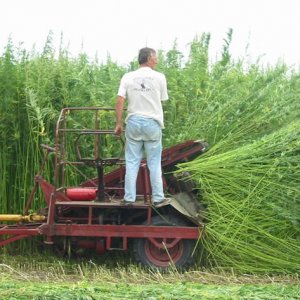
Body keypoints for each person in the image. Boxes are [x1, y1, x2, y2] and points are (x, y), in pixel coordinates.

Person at [114, 47, 171, 207]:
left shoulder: (128, 76)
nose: (157, 60)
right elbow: (162, 99)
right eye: (155, 57)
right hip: (152, 123)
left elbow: (119, 100)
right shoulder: (159, 77)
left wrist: (118, 124)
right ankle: (158, 198)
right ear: (149, 58)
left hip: (133, 122)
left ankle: (129, 198)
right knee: (154, 162)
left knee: (132, 162)